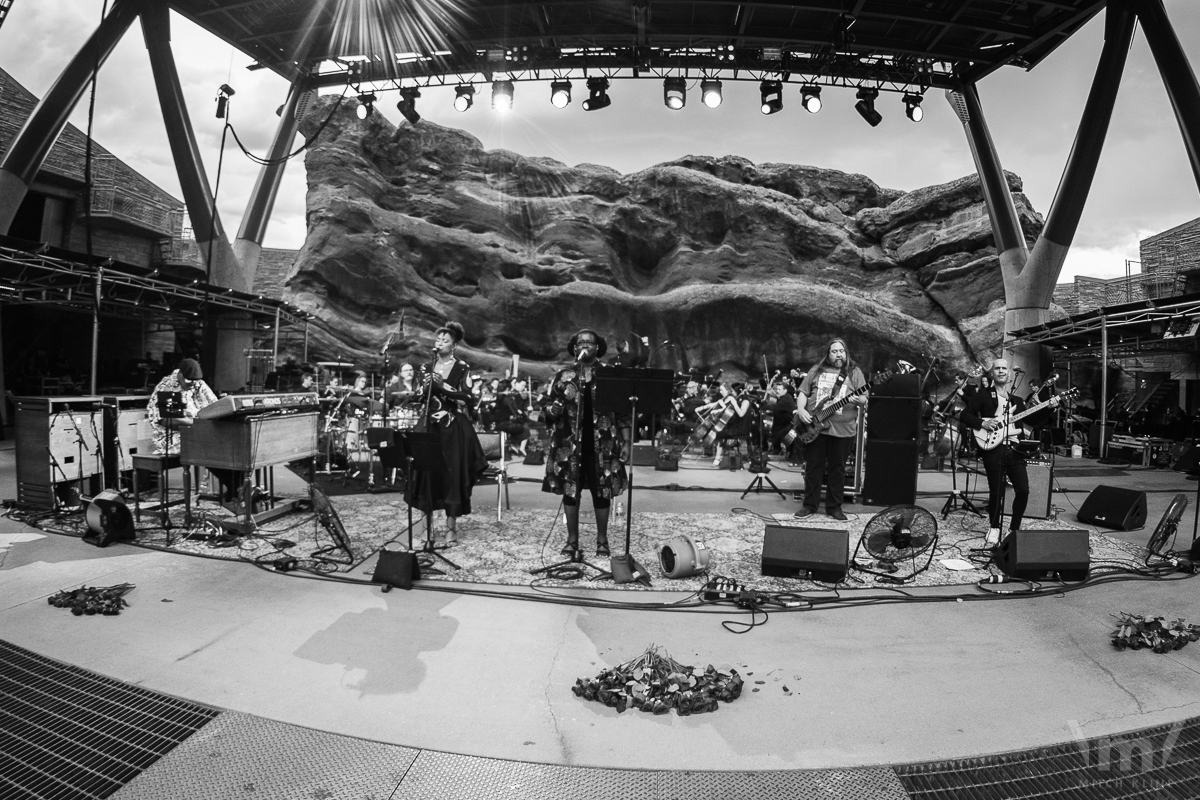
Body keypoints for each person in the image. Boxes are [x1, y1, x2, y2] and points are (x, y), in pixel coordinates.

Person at [541, 329, 630, 558]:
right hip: (569, 444)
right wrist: (553, 410)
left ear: (598, 347)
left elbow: (621, 413)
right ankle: (572, 541)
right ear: (574, 347)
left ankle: (602, 540)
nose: (585, 346)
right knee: (571, 491)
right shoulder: (564, 375)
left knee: (602, 492)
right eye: (580, 342)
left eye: (590, 343)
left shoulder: (609, 374)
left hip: (603, 444)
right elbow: (548, 408)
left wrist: (627, 441)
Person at [404, 322, 487, 548]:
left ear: (455, 345)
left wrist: (445, 388)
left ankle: (451, 528)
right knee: (425, 474)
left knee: (452, 475)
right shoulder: (425, 367)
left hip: (452, 427)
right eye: (438, 340)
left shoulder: (461, 367)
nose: (439, 343)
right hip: (428, 425)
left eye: (445, 340)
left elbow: (467, 398)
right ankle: (426, 527)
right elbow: (419, 396)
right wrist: (426, 388)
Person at [960, 357, 1057, 545]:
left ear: (1010, 374)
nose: (1001, 371)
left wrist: (1049, 409)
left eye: (1005, 368)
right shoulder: (984, 395)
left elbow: (1032, 420)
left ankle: (1014, 528)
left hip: (1015, 450)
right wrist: (983, 423)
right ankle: (994, 527)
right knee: (996, 491)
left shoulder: (1017, 401)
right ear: (993, 373)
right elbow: (965, 415)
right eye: (998, 369)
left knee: (1023, 490)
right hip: (992, 448)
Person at [146, 358, 243, 511]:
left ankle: (235, 492)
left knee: (230, 446)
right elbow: (169, 421)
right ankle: (235, 491)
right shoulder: (169, 387)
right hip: (172, 437)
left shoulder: (198, 383)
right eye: (189, 380)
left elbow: (215, 405)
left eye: (195, 381)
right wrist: (196, 423)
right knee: (209, 448)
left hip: (197, 431)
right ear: (180, 374)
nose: (193, 384)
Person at [794, 339, 868, 521]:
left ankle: (834, 507)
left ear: (846, 353)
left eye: (841, 351)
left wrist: (859, 400)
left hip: (843, 430)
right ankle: (809, 505)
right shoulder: (816, 370)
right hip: (815, 428)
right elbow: (803, 392)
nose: (838, 354)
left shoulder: (854, 372)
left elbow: (864, 398)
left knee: (838, 469)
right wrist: (802, 410)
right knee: (813, 467)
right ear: (828, 354)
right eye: (834, 351)